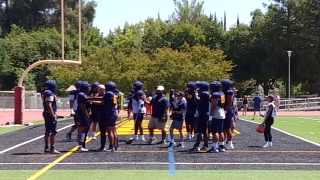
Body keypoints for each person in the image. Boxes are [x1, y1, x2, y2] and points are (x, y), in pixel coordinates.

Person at [189, 81, 210, 152]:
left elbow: (197, 100)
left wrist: (195, 93)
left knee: (200, 131)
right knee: (204, 131)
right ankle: (205, 145)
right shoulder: (206, 93)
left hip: (203, 113)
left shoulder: (204, 93)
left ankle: (197, 145)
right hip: (204, 113)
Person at [42, 80, 60, 154]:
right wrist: (53, 116)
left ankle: (46, 148)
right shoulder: (49, 93)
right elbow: (49, 105)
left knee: (47, 131)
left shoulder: (46, 92)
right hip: (49, 114)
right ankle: (52, 148)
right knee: (53, 131)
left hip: (46, 113)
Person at [208, 81, 225, 153]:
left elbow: (213, 107)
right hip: (221, 112)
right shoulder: (222, 93)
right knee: (220, 131)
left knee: (215, 131)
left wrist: (210, 118)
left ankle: (215, 147)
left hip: (216, 114)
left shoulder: (214, 95)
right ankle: (221, 146)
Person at [104, 81, 119, 152]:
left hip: (109, 113)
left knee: (109, 131)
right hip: (113, 113)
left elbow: (102, 101)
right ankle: (115, 145)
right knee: (114, 130)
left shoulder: (108, 94)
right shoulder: (114, 94)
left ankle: (111, 146)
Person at [76, 81, 91, 152]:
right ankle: (80, 145)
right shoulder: (81, 95)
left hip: (84, 114)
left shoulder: (84, 94)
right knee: (83, 130)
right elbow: (83, 107)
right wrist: (87, 116)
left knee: (85, 130)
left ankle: (82, 145)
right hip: (82, 114)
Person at [221, 79, 234, 150]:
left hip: (227, 111)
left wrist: (225, 111)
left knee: (227, 128)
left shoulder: (229, 92)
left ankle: (230, 143)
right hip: (224, 110)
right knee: (223, 128)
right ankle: (224, 142)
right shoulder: (224, 91)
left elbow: (229, 103)